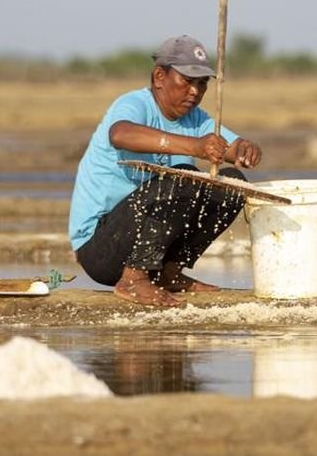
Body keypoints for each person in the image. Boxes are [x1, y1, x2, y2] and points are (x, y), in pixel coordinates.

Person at [68, 34, 263, 308]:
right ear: (160, 76)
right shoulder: (134, 104)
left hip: (146, 246)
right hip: (101, 248)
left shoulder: (198, 119)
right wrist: (194, 146)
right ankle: (133, 280)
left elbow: (227, 148)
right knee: (182, 174)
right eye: (187, 81)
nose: (195, 91)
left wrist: (244, 147)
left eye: (201, 84)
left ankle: (168, 272)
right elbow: (120, 134)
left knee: (232, 183)